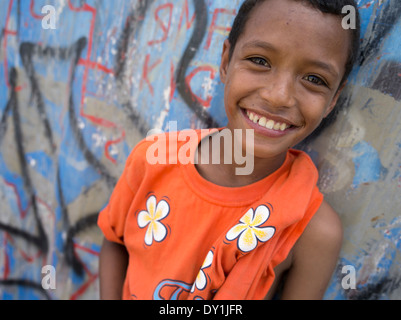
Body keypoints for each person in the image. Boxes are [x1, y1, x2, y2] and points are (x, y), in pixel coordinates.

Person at [98, 0, 361, 300]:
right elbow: (115, 241)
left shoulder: (313, 230)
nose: (278, 96)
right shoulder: (153, 159)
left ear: (332, 101)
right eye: (260, 61)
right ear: (225, 62)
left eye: (314, 79)